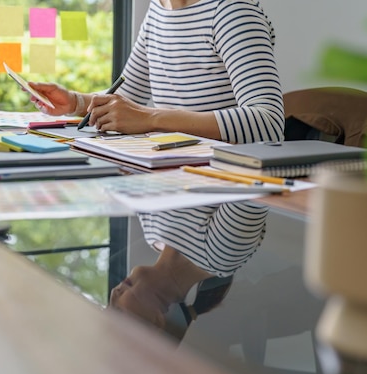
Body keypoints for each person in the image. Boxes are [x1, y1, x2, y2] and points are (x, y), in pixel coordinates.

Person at [29, 0, 283, 328]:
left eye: (109, 306)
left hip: (231, 175)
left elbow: (268, 123)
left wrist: (150, 119)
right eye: (119, 309)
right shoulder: (159, 10)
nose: (114, 296)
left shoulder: (232, 11)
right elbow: (129, 95)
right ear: (157, 319)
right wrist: (76, 103)